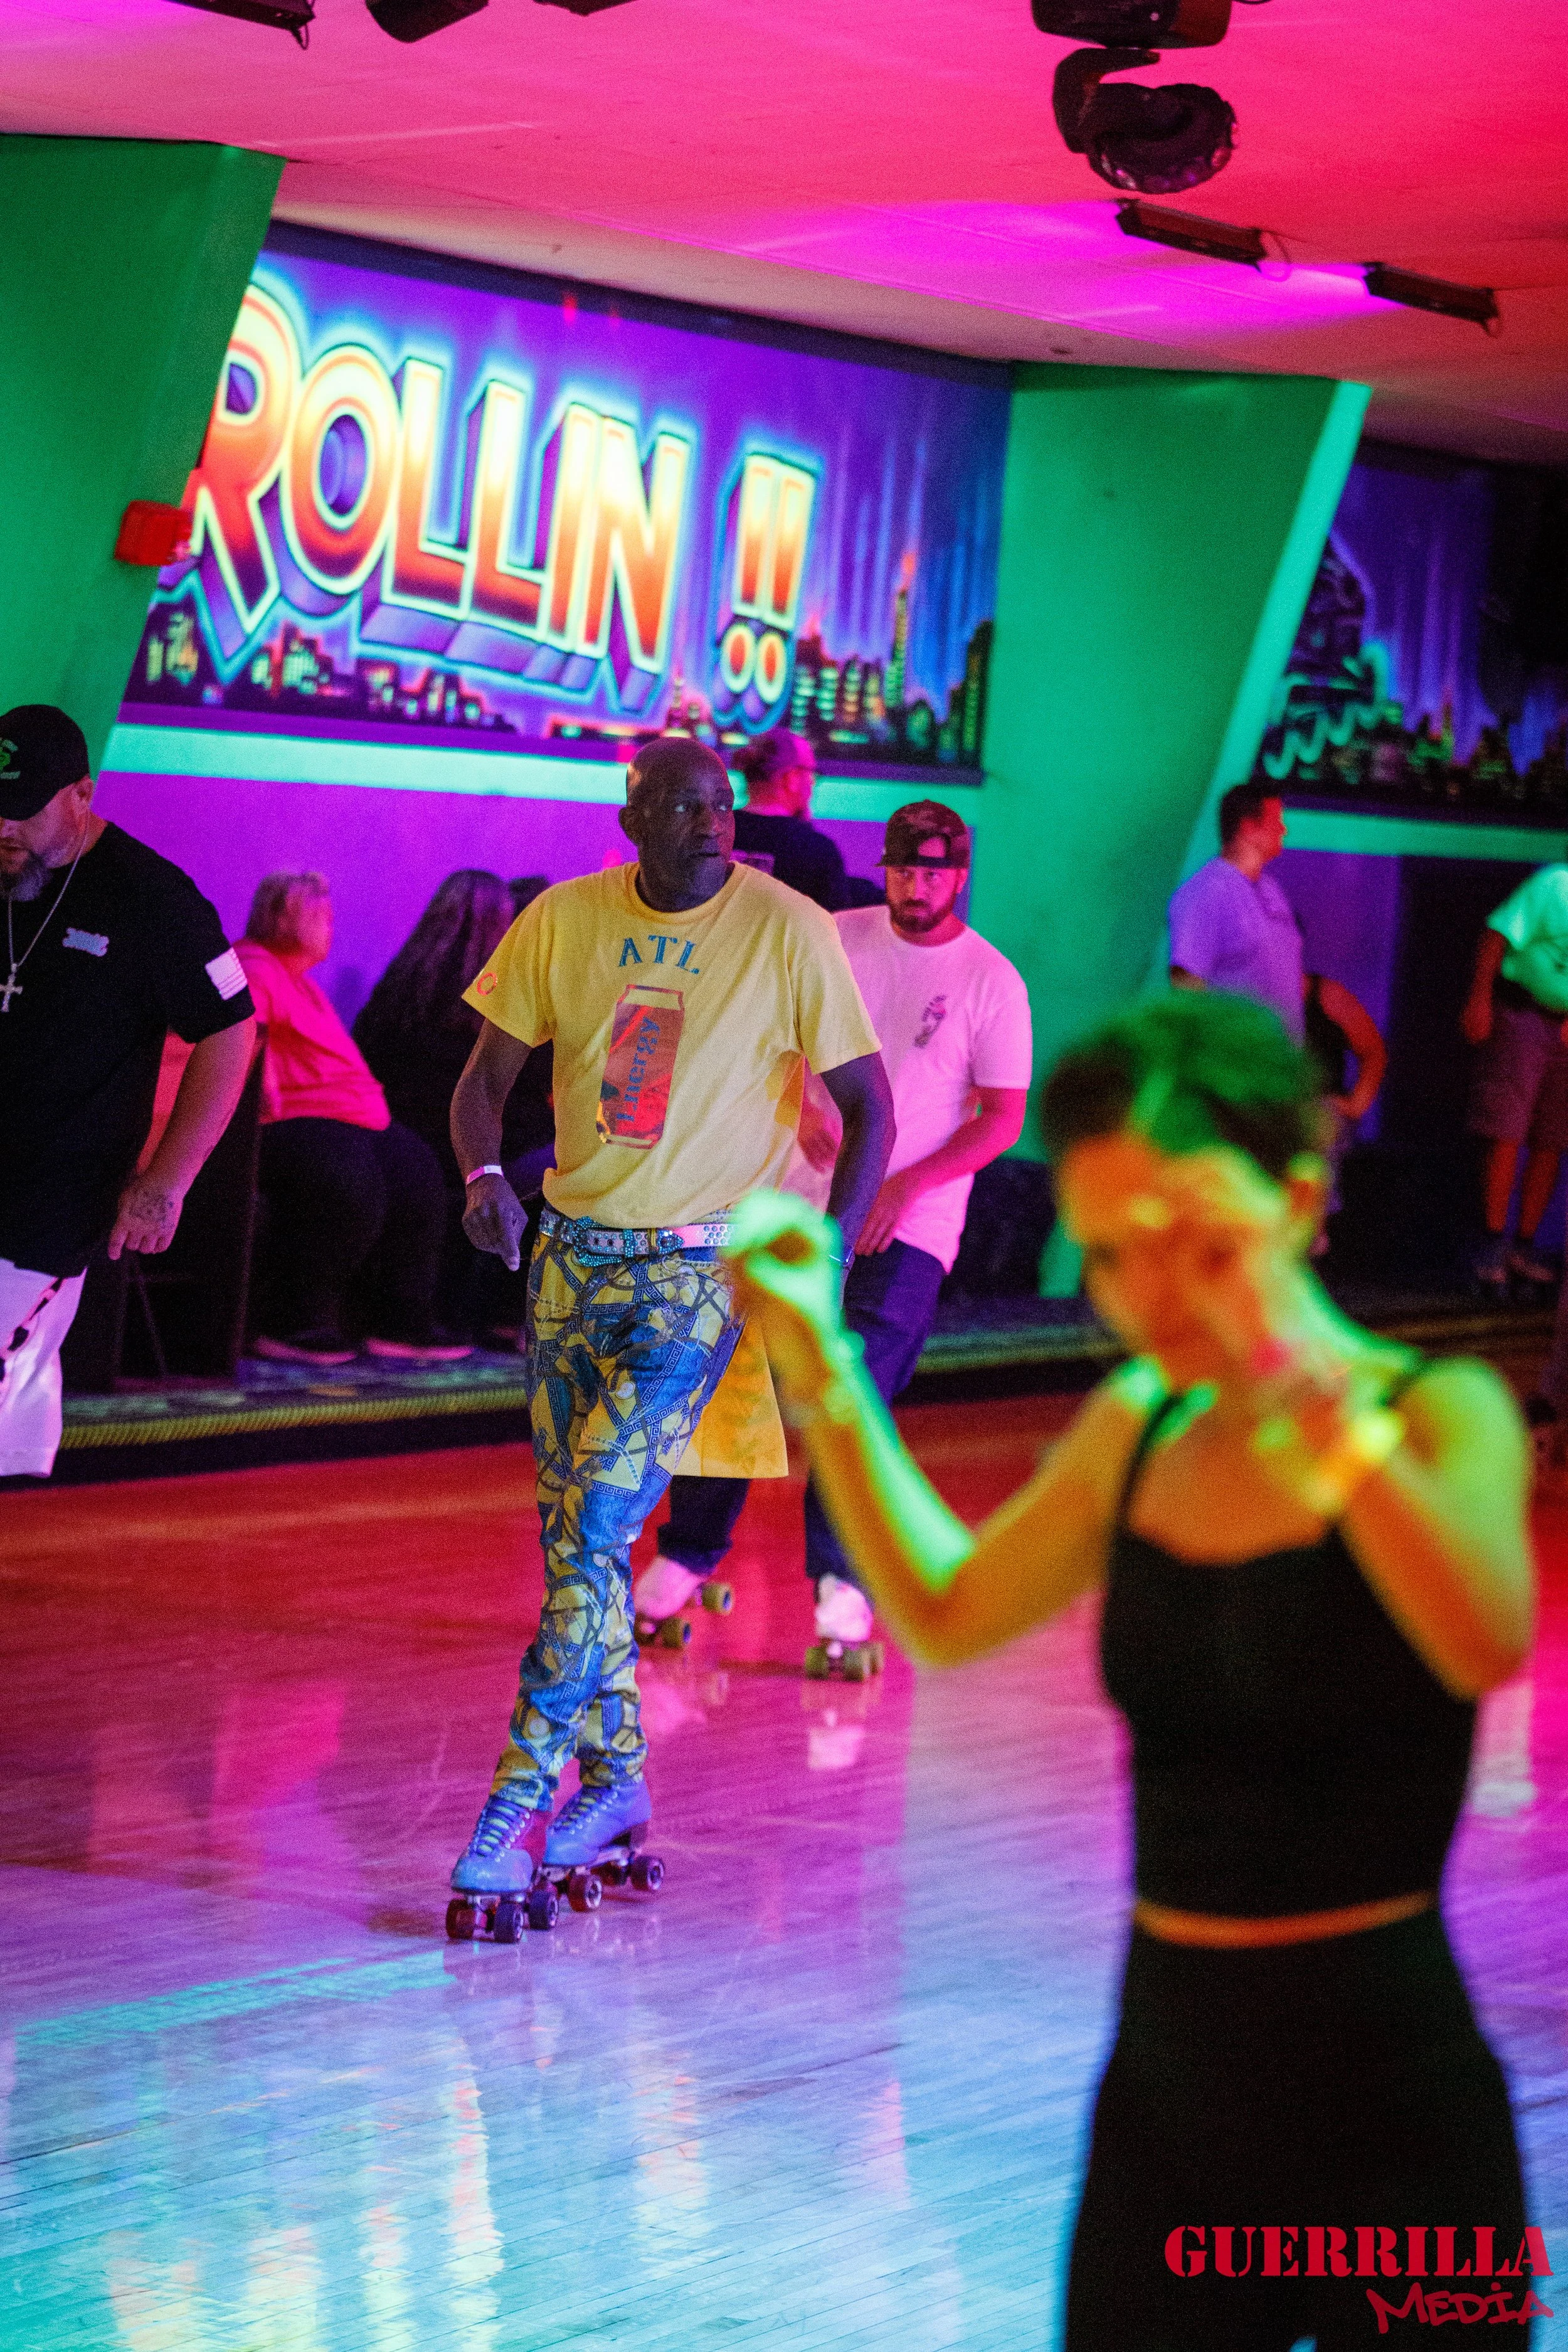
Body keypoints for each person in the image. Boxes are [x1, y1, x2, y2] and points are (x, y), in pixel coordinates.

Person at [726, 990, 1536, 2351]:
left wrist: (1294, 1382)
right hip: (1169, 2090)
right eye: (1106, 1257)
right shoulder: (1138, 1426)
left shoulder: (1430, 1411)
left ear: (1289, 1198)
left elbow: (1479, 1634)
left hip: (1390, 2100)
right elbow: (943, 1608)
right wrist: (822, 1368)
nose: (1140, 1297)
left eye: (1178, 1242)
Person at [446, 734, 893, 1900]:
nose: (715, 823)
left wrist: (825, 1258)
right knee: (574, 1546)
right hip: (567, 1270)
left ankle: (516, 1800)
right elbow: (484, 1082)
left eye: (725, 805)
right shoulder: (561, 918)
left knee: (596, 1515)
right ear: (635, 814)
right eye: (688, 806)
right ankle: (621, 1779)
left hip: (700, 1278)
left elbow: (869, 1112)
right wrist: (484, 1180)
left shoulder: (790, 927)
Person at [638, 800, 1032, 1667]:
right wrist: (808, 1110)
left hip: (912, 1222)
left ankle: (843, 1589)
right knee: (737, 1380)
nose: (915, 886)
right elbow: (765, 1042)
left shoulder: (990, 980)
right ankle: (685, 1554)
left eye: (932, 872)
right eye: (902, 869)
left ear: (960, 876)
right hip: (795, 1203)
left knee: (852, 1399)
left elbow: (1001, 1116)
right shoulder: (833, 938)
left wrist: (905, 1183)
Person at [0, 704, 256, 1478]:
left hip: (57, 1191)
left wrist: (166, 1181)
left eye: (21, 812)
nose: (3, 830)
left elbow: (228, 1032)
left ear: (81, 794)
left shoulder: (152, 898)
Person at [236, 872, 469, 1367]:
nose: (330, 924)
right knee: (345, 1175)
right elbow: (245, 1046)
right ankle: (294, 1320)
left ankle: (399, 1320)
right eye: (319, 913)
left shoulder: (300, 983)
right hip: (287, 1122)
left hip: (343, 1122)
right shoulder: (255, 967)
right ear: (283, 916)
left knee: (416, 1170)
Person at [353, 871, 554, 1340]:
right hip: (481, 1158)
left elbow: (367, 1059)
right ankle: (511, 1318)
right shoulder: (505, 1001)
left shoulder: (400, 987)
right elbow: (531, 1099)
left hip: (406, 1144)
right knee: (574, 1162)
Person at [1461, 862, 1568, 1293]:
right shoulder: (1555, 885)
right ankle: (1491, 1242)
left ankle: (1523, 1246)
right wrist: (1479, 999)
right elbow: (1497, 934)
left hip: (1563, 1030)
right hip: (1524, 1017)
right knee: (1507, 1127)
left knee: (1552, 1137)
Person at [1167, 782, 1304, 1039]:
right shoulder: (1206, 893)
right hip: (1237, 1066)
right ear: (1248, 827)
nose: (1283, 829)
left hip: (1278, 1063)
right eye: (1276, 820)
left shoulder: (1270, 888)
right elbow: (1186, 991)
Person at [731, 728, 850, 913]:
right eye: (811, 774)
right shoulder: (818, 852)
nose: (813, 784)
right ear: (791, 778)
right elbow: (834, 930)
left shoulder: (715, 833)